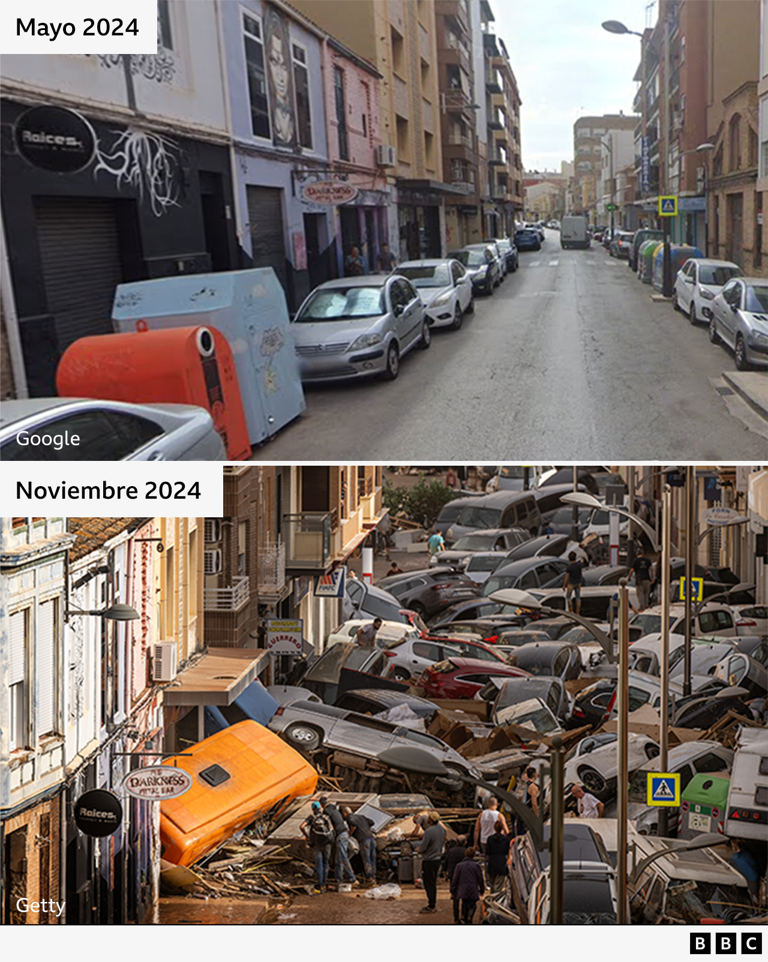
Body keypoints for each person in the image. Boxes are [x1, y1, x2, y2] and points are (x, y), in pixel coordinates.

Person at [319, 795, 357, 887]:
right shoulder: (334, 808)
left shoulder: (326, 811)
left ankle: (352, 878)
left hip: (340, 835)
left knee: (343, 857)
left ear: (321, 804)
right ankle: (339, 878)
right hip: (344, 834)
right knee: (338, 858)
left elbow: (328, 825)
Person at [300, 800, 335, 893]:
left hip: (316, 844)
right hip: (327, 843)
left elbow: (302, 826)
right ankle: (325, 883)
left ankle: (320, 885)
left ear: (312, 809)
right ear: (320, 808)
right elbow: (331, 828)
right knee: (326, 863)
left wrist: (307, 836)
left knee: (319, 864)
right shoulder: (326, 817)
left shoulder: (312, 817)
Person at [416, 811, 446, 914]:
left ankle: (431, 905)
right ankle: (432, 903)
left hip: (429, 860)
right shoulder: (442, 830)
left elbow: (423, 847)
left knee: (429, 884)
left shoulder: (429, 831)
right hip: (437, 859)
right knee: (432, 882)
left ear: (430, 820)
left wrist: (418, 849)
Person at [450, 846, 486, 925]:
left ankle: (464, 916)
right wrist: (482, 889)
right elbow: (480, 878)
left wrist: (452, 890)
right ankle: (470, 916)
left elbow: (455, 879)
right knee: (473, 904)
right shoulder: (476, 866)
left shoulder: (459, 865)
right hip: (473, 888)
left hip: (462, 888)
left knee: (465, 902)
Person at [343, 806, 377, 885]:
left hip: (363, 840)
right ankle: (374, 878)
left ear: (345, 814)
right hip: (371, 838)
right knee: (373, 859)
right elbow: (372, 822)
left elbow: (353, 824)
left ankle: (369, 879)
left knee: (366, 859)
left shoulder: (349, 817)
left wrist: (350, 833)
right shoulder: (361, 816)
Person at [484, 820, 511, 896]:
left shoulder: (490, 839)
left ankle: (492, 899)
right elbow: (507, 851)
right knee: (498, 886)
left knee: (492, 885)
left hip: (492, 862)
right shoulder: (505, 839)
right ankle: (495, 899)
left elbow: (487, 851)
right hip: (501, 862)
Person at [442, 839, 466, 924]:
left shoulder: (451, 851)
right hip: (464, 877)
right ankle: (464, 915)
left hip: (453, 876)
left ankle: (456, 918)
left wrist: (445, 875)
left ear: (456, 842)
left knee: (455, 897)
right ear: (465, 842)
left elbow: (445, 863)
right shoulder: (465, 851)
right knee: (464, 897)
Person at [630, 546, 654, 611]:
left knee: (640, 595)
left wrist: (629, 578)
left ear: (636, 554)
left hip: (639, 580)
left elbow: (632, 570)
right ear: (642, 554)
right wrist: (652, 578)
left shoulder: (635, 561)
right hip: (647, 579)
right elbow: (651, 568)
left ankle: (642, 608)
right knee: (646, 594)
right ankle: (646, 607)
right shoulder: (647, 560)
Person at [562, 550, 586, 615]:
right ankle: (578, 612)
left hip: (571, 583)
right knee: (578, 597)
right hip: (578, 582)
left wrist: (564, 585)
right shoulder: (579, 565)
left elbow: (567, 577)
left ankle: (571, 610)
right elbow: (582, 561)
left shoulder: (569, 567)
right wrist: (582, 559)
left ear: (569, 558)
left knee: (568, 597)